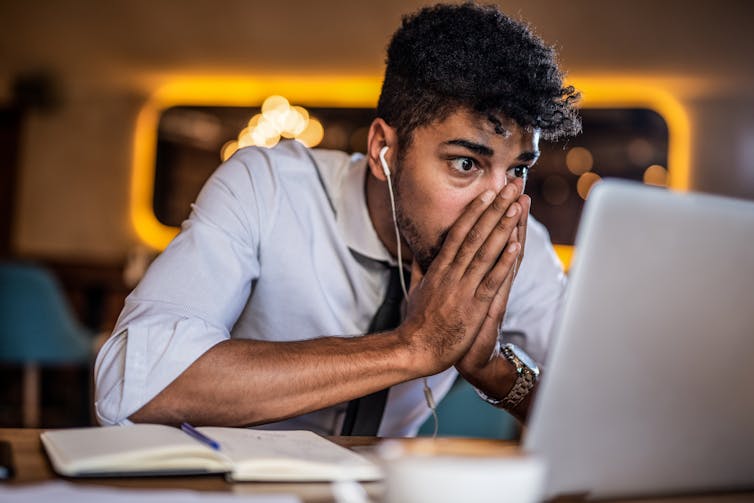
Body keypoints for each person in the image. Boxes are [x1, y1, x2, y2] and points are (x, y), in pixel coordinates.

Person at [95, 2, 580, 436]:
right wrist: (411, 346)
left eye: (517, 169)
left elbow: (608, 417)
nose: (498, 205)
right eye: (465, 164)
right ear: (383, 149)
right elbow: (132, 385)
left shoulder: (521, 246)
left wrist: (496, 371)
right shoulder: (269, 187)